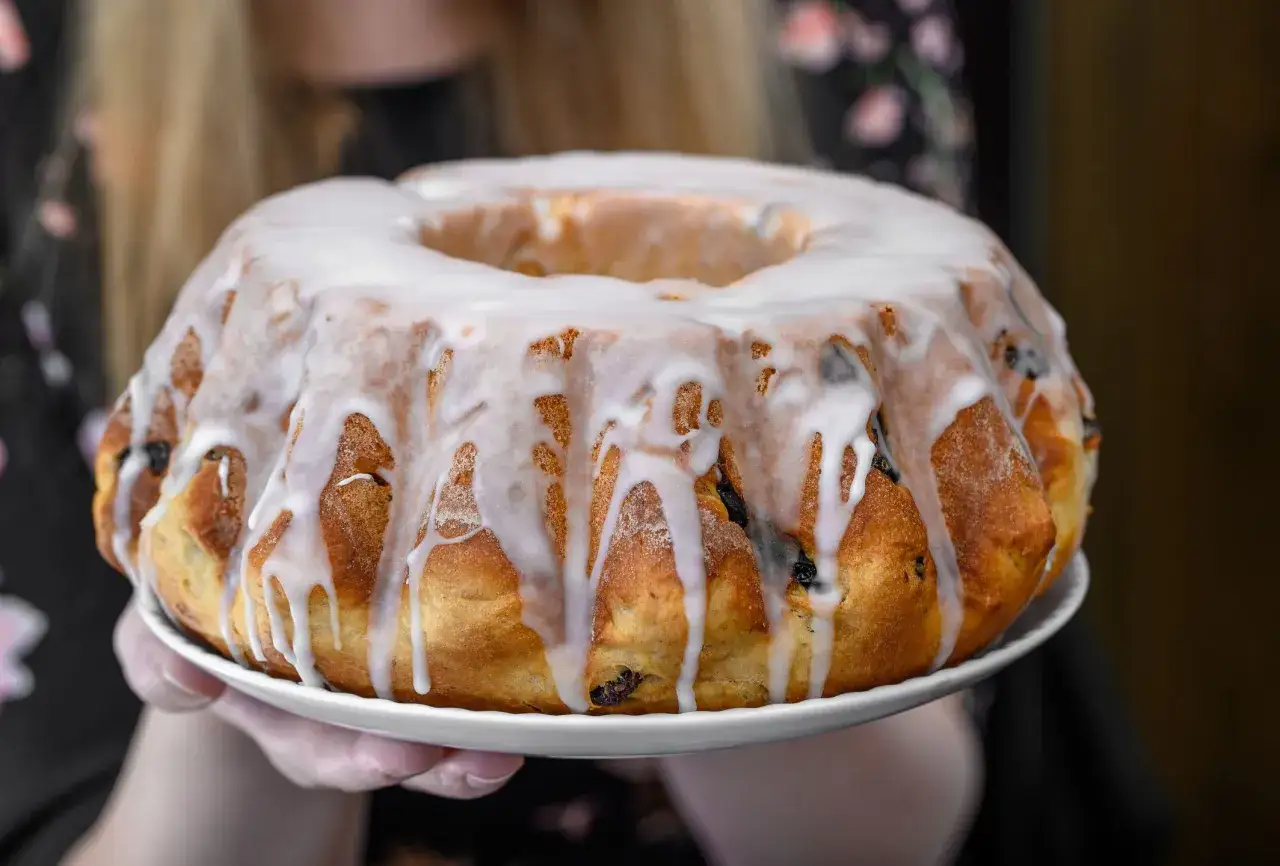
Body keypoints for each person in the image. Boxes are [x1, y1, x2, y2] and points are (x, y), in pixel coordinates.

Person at [1, 2, 991, 864]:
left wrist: (715, 623)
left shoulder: (827, 29)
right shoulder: (25, 79)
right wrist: (240, 673)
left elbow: (891, 837)